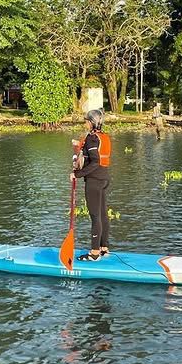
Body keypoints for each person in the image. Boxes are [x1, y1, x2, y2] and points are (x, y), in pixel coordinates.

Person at [70, 108, 112, 261]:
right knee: (102, 215)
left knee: (95, 217)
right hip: (104, 178)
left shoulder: (92, 138)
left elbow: (95, 161)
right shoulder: (103, 137)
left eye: (86, 121)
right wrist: (79, 146)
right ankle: (104, 248)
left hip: (94, 180)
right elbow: (92, 154)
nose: (85, 123)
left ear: (91, 122)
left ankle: (94, 253)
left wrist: (77, 174)